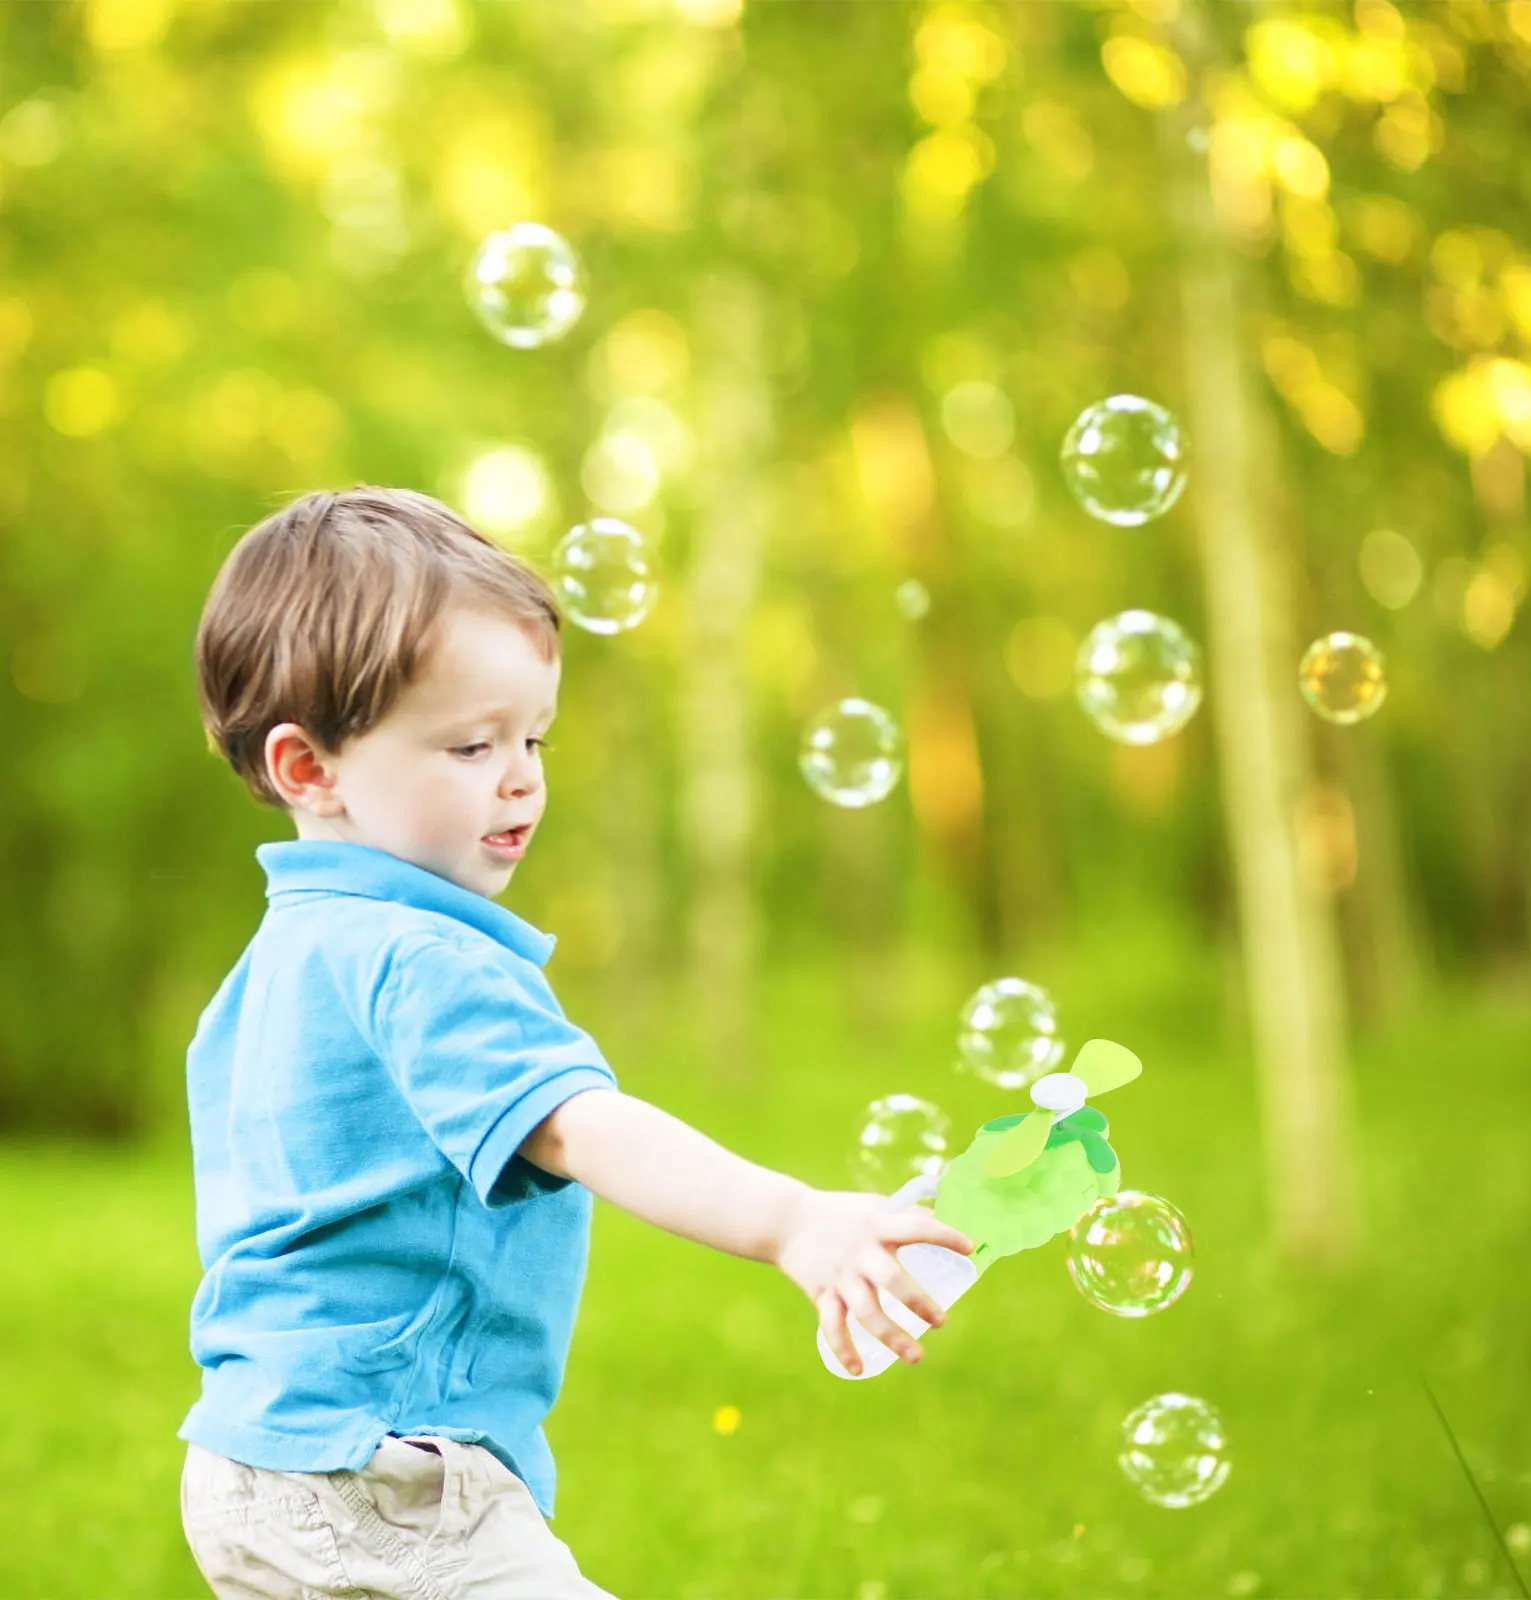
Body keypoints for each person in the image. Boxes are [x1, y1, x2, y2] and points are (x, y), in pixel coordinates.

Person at [178, 486, 974, 1599]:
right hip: (386, 1470)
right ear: (310, 769)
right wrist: (795, 1219)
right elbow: (575, 1125)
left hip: (248, 1460)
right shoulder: (422, 957)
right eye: (469, 744)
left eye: (532, 735)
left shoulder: (273, 966)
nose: (520, 774)